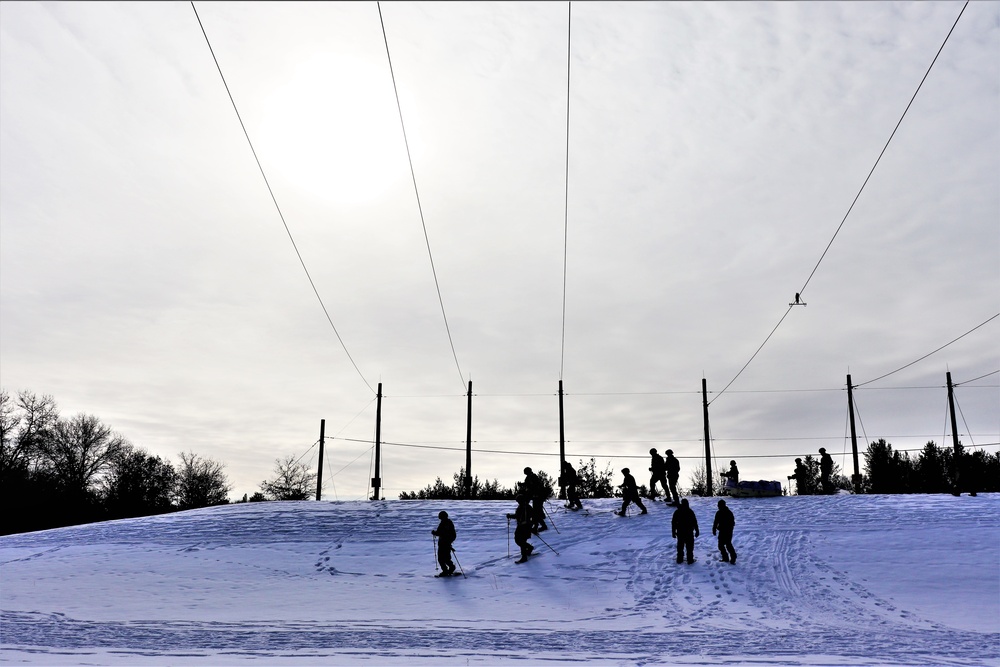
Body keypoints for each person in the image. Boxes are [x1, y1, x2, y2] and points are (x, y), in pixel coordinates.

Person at [506, 495, 535, 563]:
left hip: (525, 527)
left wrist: (532, 524)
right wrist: (510, 516)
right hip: (521, 526)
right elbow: (517, 516)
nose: (518, 502)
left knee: (521, 541)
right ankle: (529, 548)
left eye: (518, 501)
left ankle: (524, 557)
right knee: (518, 540)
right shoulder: (521, 507)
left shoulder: (527, 507)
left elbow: (534, 516)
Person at [671, 498, 699, 564]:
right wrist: (697, 530)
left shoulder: (677, 511)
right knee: (689, 547)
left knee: (681, 546)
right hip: (688, 532)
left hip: (681, 532)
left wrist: (673, 532)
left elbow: (673, 523)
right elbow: (694, 522)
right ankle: (689, 560)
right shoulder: (690, 511)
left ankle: (680, 559)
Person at [521, 467, 548, 532]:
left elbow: (536, 486)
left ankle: (540, 526)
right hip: (535, 496)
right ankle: (537, 525)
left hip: (538, 496)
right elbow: (528, 485)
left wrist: (536, 494)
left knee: (536, 512)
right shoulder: (529, 477)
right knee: (536, 512)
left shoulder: (533, 477)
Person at [431, 510, 457, 576]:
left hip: (445, 543)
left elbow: (440, 532)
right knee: (444, 558)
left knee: (443, 558)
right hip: (444, 543)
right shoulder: (447, 522)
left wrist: (434, 533)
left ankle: (449, 569)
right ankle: (447, 570)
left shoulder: (445, 523)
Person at [712, 499, 737, 564]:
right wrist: (714, 529)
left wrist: (728, 529)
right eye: (718, 506)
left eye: (719, 506)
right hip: (722, 532)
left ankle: (733, 557)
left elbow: (732, 523)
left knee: (728, 545)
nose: (718, 507)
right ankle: (725, 557)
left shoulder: (729, 513)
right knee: (720, 545)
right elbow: (715, 522)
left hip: (728, 532)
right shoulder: (718, 513)